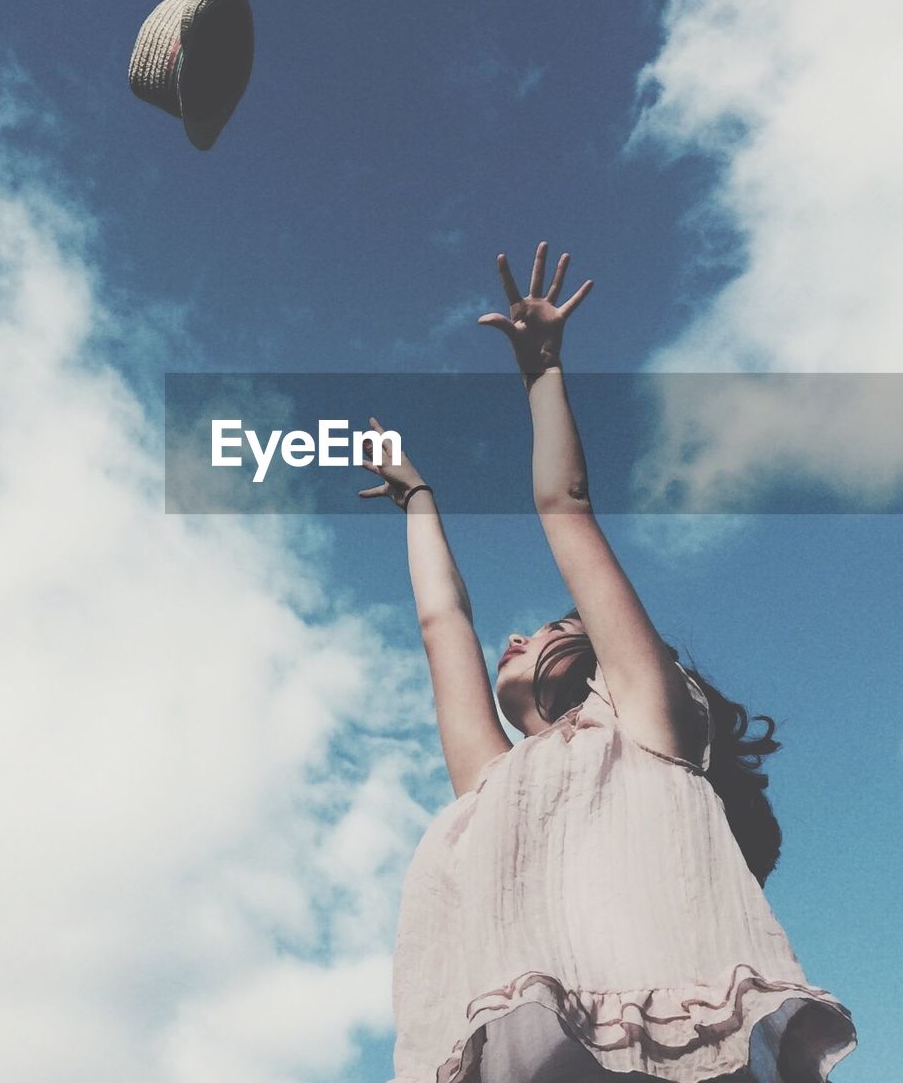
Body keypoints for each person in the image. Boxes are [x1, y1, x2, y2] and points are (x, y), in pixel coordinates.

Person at [359, 244, 857, 1083]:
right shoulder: (492, 792)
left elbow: (565, 506)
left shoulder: (644, 722)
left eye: (550, 625)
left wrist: (542, 372)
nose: (512, 640)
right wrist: (418, 499)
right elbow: (443, 621)